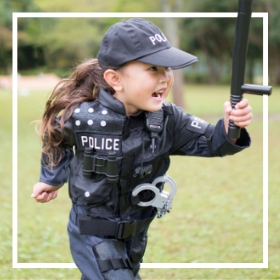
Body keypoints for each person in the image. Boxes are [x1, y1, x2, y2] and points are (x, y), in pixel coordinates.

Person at [31, 18, 252, 280]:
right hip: (92, 230)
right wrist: (52, 178)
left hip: (135, 233)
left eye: (167, 69)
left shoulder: (169, 119)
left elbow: (211, 141)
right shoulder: (83, 118)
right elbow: (55, 137)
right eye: (153, 68)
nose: (165, 78)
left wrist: (230, 128)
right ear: (115, 79)